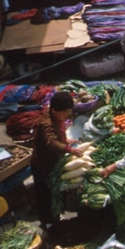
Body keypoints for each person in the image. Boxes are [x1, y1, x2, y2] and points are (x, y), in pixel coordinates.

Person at [31, 91, 80, 228]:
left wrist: (65, 140)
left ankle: (55, 218)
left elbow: (58, 134)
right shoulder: (46, 123)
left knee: (55, 193)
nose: (65, 115)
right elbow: (51, 143)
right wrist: (69, 149)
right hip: (42, 165)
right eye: (63, 113)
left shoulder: (55, 114)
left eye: (67, 111)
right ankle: (47, 223)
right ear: (54, 110)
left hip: (52, 161)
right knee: (44, 195)